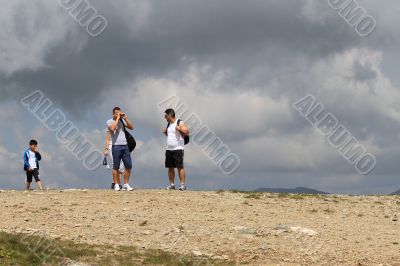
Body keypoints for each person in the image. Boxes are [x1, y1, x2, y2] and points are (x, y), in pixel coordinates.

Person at [106, 107, 134, 191]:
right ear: (113, 114)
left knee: (128, 166)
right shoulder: (109, 121)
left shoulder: (122, 121)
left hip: (125, 146)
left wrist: (125, 118)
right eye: (117, 113)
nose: (119, 114)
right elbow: (112, 128)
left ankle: (126, 184)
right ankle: (117, 184)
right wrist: (118, 118)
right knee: (116, 167)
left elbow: (132, 127)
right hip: (116, 146)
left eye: (119, 113)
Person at [163, 108, 189, 191]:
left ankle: (182, 185)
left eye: (166, 116)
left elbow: (187, 132)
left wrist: (179, 128)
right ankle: (172, 185)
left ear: (170, 115)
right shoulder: (168, 124)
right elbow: (171, 136)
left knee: (180, 167)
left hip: (178, 149)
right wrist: (165, 132)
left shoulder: (179, 122)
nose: (165, 117)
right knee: (170, 167)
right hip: (169, 149)